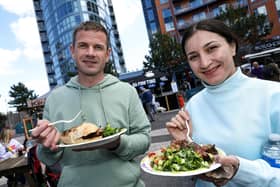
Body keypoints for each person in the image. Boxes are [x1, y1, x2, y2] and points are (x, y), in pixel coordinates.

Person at [31, 21, 151, 187]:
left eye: (98, 47)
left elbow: (144, 139)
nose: (90, 53)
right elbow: (46, 158)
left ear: (108, 54)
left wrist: (117, 143)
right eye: (83, 46)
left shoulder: (126, 91)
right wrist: (47, 145)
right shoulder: (55, 99)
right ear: (72, 51)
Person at [166, 19, 280, 187]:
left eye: (212, 48)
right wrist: (186, 142)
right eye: (194, 57)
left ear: (232, 47)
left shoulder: (274, 95)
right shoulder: (193, 104)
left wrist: (240, 170)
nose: (205, 63)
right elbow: (203, 163)